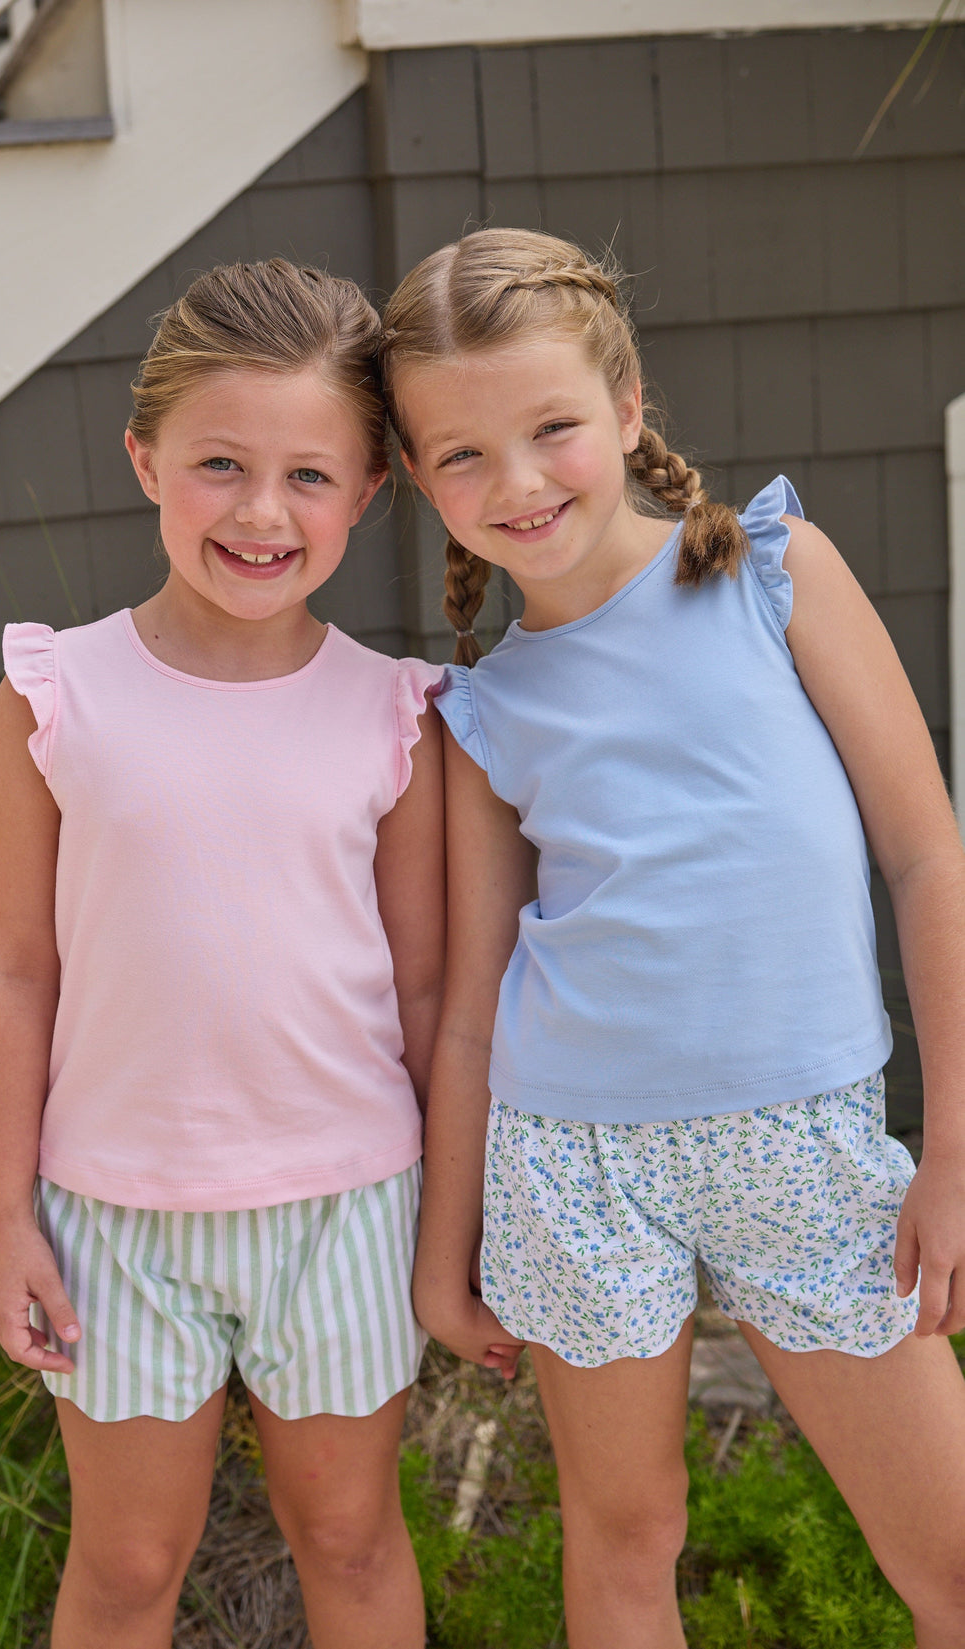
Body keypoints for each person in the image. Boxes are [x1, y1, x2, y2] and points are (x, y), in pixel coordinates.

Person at [379, 226, 965, 1648]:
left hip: (806, 1144)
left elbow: (925, 850)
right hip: (572, 1160)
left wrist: (953, 1146)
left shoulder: (774, 577)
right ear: (412, 478)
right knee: (628, 1536)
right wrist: (440, 1250)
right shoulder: (484, 711)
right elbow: (469, 1002)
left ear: (629, 408)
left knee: (949, 1547)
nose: (515, 483)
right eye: (461, 456)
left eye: (552, 428)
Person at [0, 258, 444, 1649]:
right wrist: (9, 1222)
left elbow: (425, 991)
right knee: (124, 1561)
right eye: (219, 463)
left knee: (351, 1536)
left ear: (368, 492)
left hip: (346, 1205)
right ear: (145, 459)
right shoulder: (55, 695)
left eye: (309, 475)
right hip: (113, 1214)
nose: (257, 511)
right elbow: (10, 965)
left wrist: (451, 1221)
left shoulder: (394, 718)